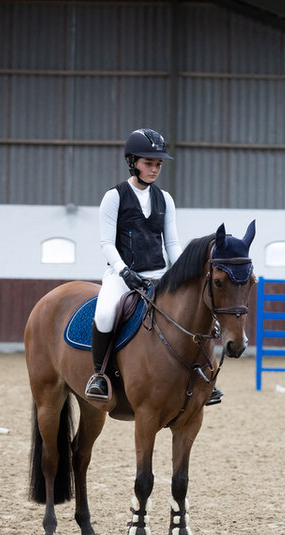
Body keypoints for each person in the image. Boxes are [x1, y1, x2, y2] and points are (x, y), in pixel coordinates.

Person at [85, 128, 223, 406]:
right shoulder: (114, 196)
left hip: (159, 275)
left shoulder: (165, 199)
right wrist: (124, 270)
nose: (155, 169)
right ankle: (99, 376)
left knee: (193, 315)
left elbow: (172, 244)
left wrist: (188, 274)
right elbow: (105, 243)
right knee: (104, 315)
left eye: (158, 164)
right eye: (149, 163)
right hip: (121, 275)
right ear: (133, 162)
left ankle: (205, 377)